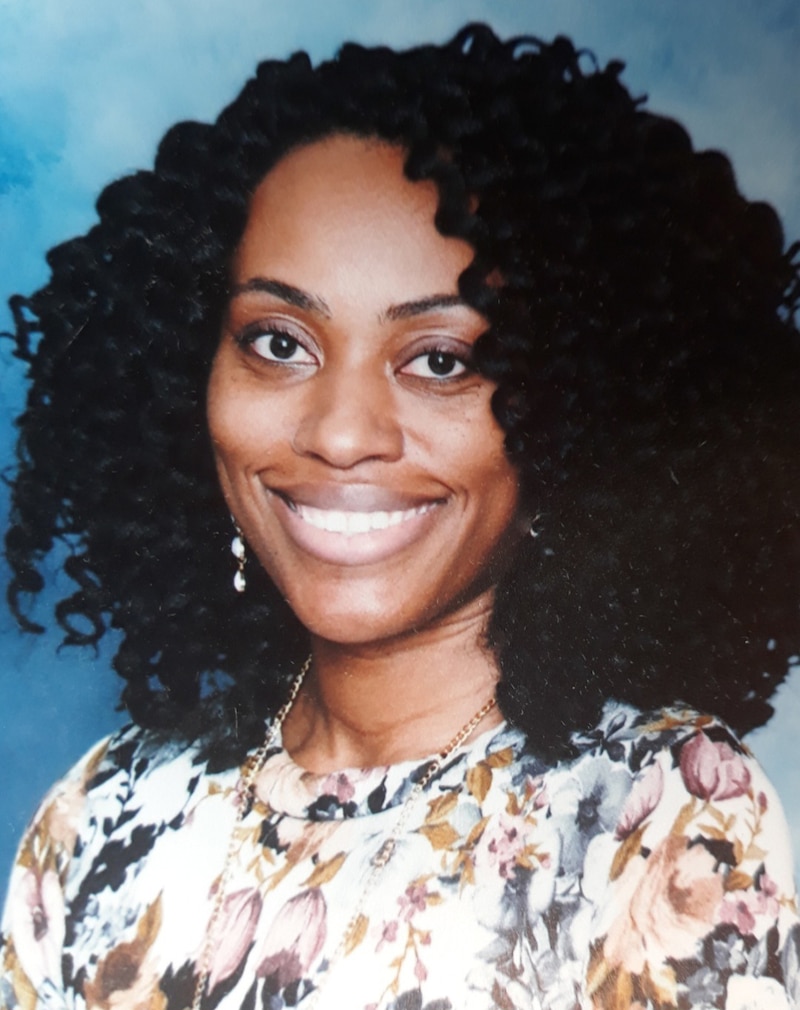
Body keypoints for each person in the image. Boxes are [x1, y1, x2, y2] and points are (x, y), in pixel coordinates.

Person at [2, 23, 799, 1010]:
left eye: (440, 360)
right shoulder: (103, 816)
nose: (341, 434)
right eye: (278, 341)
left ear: (574, 414)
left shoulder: (659, 818)